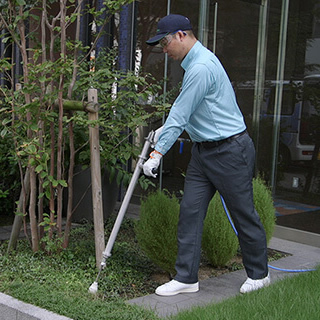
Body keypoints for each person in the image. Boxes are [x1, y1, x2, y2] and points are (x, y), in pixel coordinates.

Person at [143, 14, 270, 296]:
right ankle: (187, 277)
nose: (164, 50)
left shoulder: (201, 67)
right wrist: (167, 128)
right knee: (190, 213)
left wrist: (157, 152)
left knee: (242, 214)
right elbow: (192, 110)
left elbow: (181, 111)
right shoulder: (194, 65)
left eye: (165, 43)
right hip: (203, 152)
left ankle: (259, 274)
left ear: (181, 35)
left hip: (230, 151)